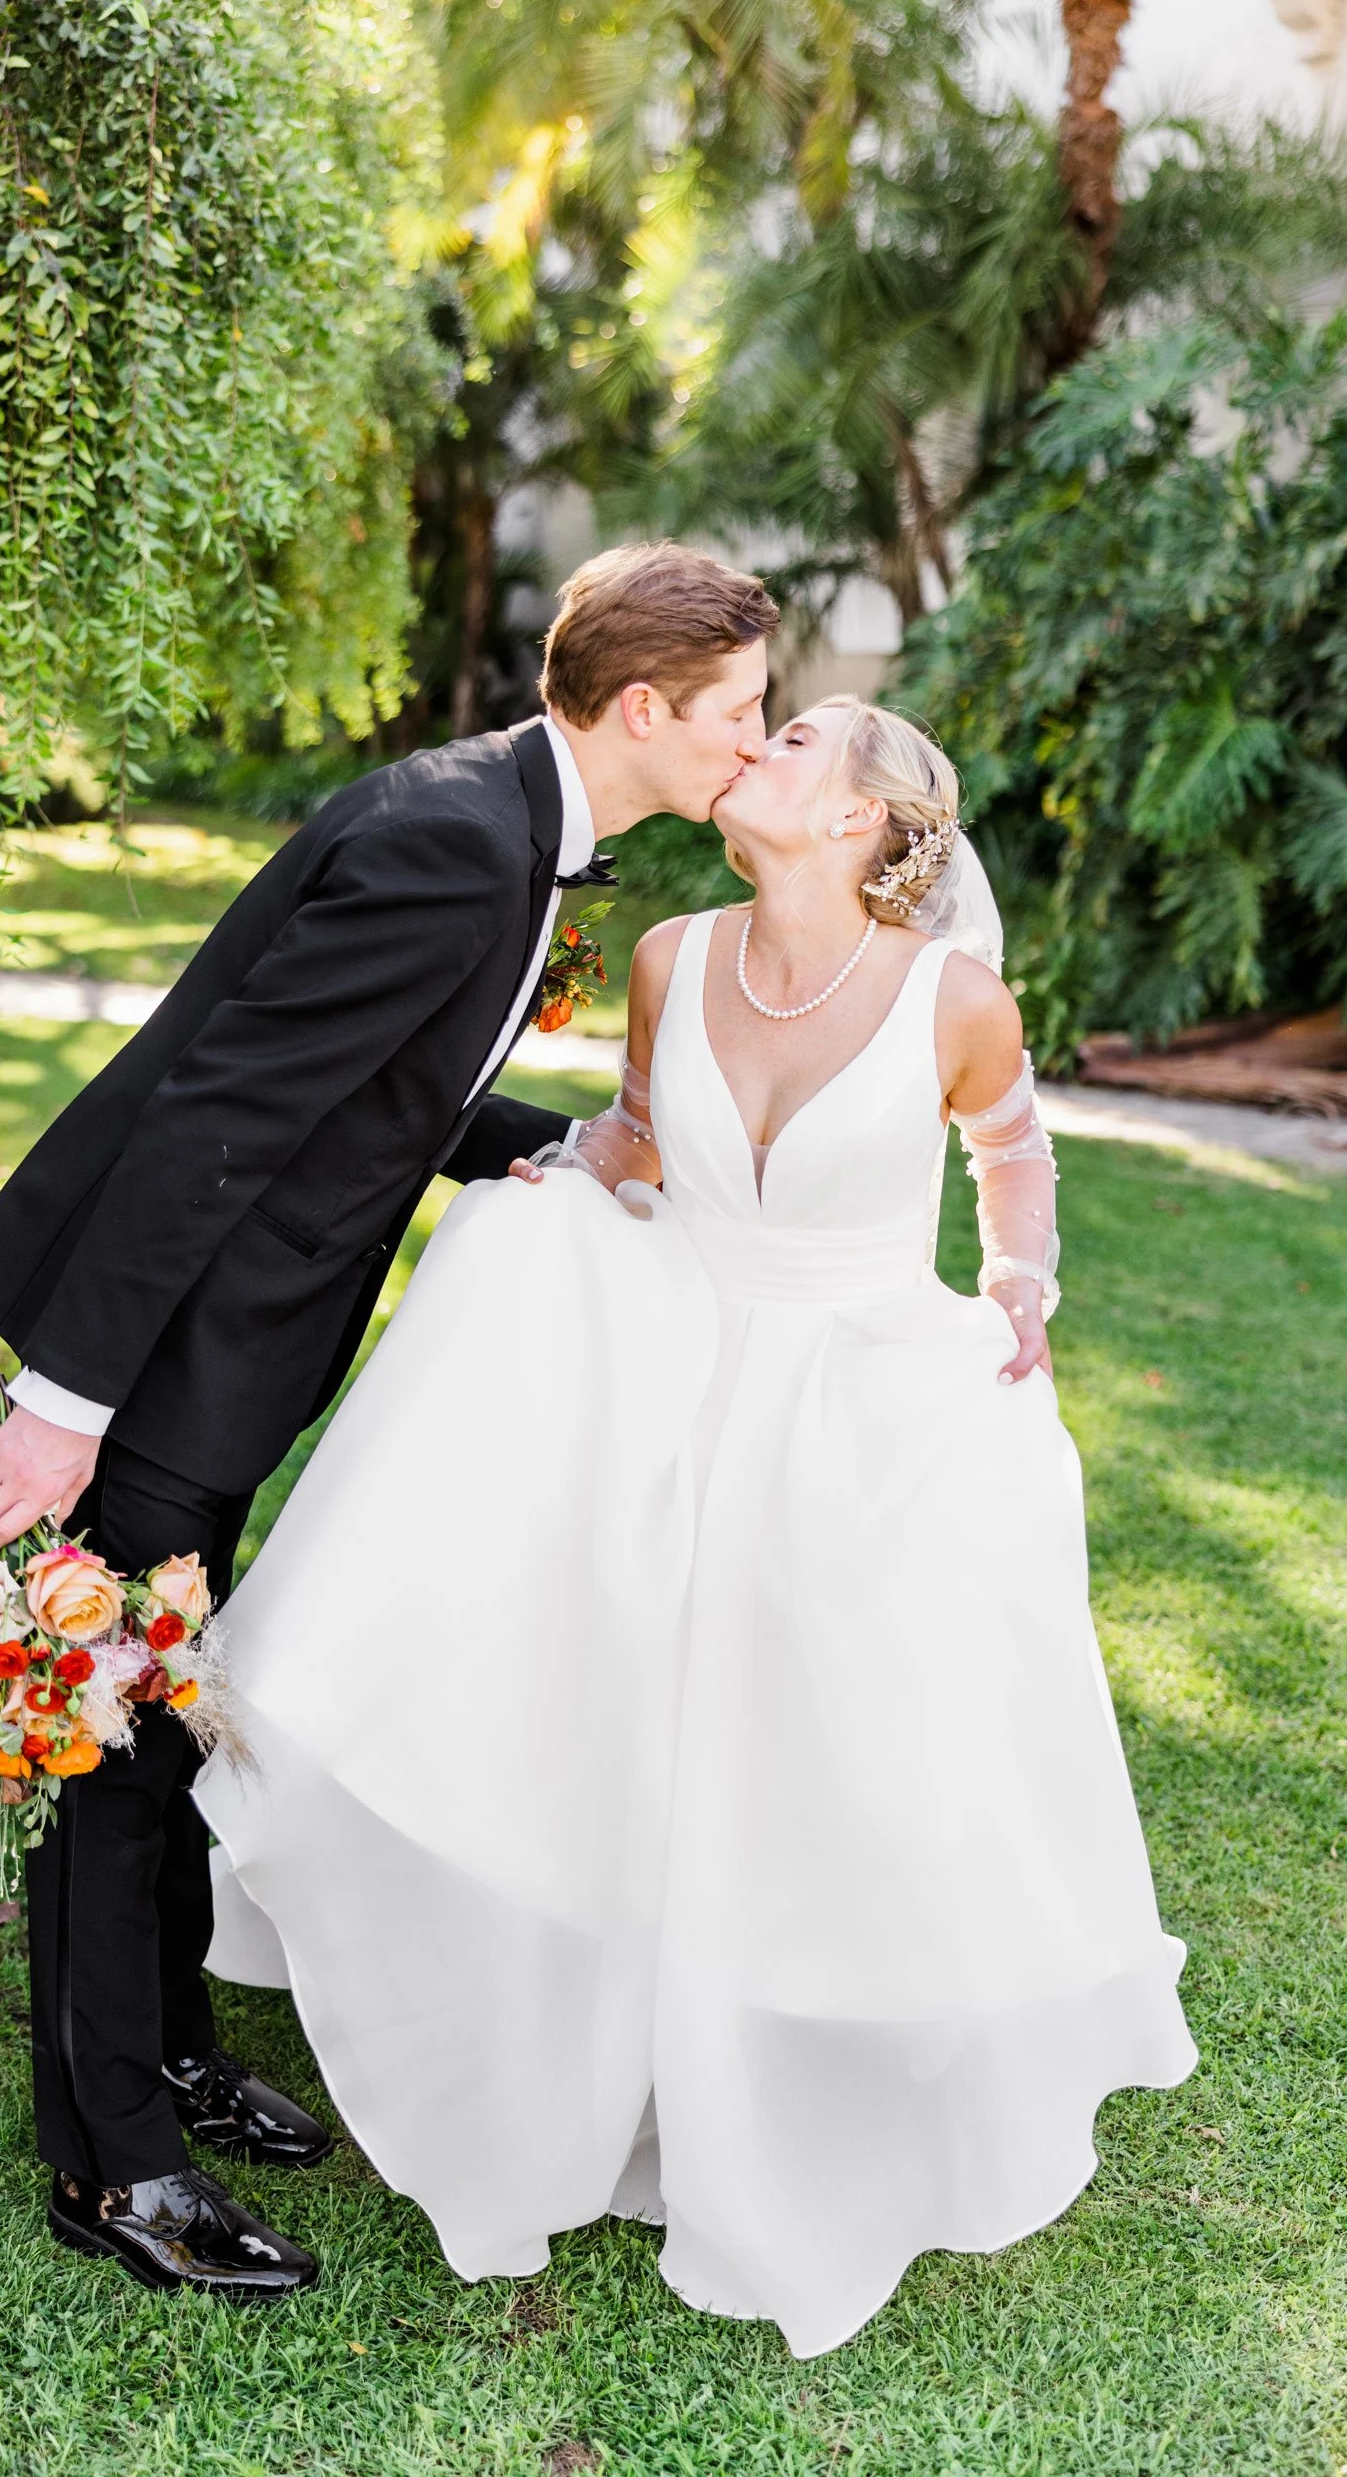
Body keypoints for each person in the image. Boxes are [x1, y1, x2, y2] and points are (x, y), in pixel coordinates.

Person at [195, 694, 1199, 2354]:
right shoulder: (670, 954)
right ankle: (587, 2041)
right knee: (617, 1708)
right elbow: (641, 1140)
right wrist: (561, 1181)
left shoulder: (954, 998)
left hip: (850, 1389)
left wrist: (1020, 1277)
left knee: (799, 1729)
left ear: (864, 817)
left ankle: (784, 2047)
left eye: (793, 740)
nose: (756, 748)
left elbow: (1009, 1150)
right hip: (666, 1349)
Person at [0, 543, 779, 2296]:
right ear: (645, 707)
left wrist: (548, 1143)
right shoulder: (455, 841)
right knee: (105, 1746)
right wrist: (66, 1401)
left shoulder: (510, 829)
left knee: (168, 1712)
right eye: (740, 713)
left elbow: (383, 1083)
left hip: (223, 1353)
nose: (753, 745)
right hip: (162, 1354)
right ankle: (115, 2167)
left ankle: (173, 2049)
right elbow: (219, 1116)